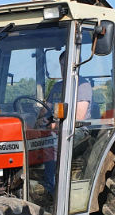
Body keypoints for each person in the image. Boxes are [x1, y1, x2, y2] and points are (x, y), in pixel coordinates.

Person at [38, 50, 93, 194]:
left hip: (78, 130)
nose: (64, 69)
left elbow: (78, 117)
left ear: (76, 66)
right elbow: (45, 110)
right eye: (62, 65)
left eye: (67, 65)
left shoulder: (83, 86)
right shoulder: (57, 87)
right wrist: (38, 122)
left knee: (52, 142)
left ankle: (53, 190)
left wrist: (54, 126)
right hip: (56, 129)